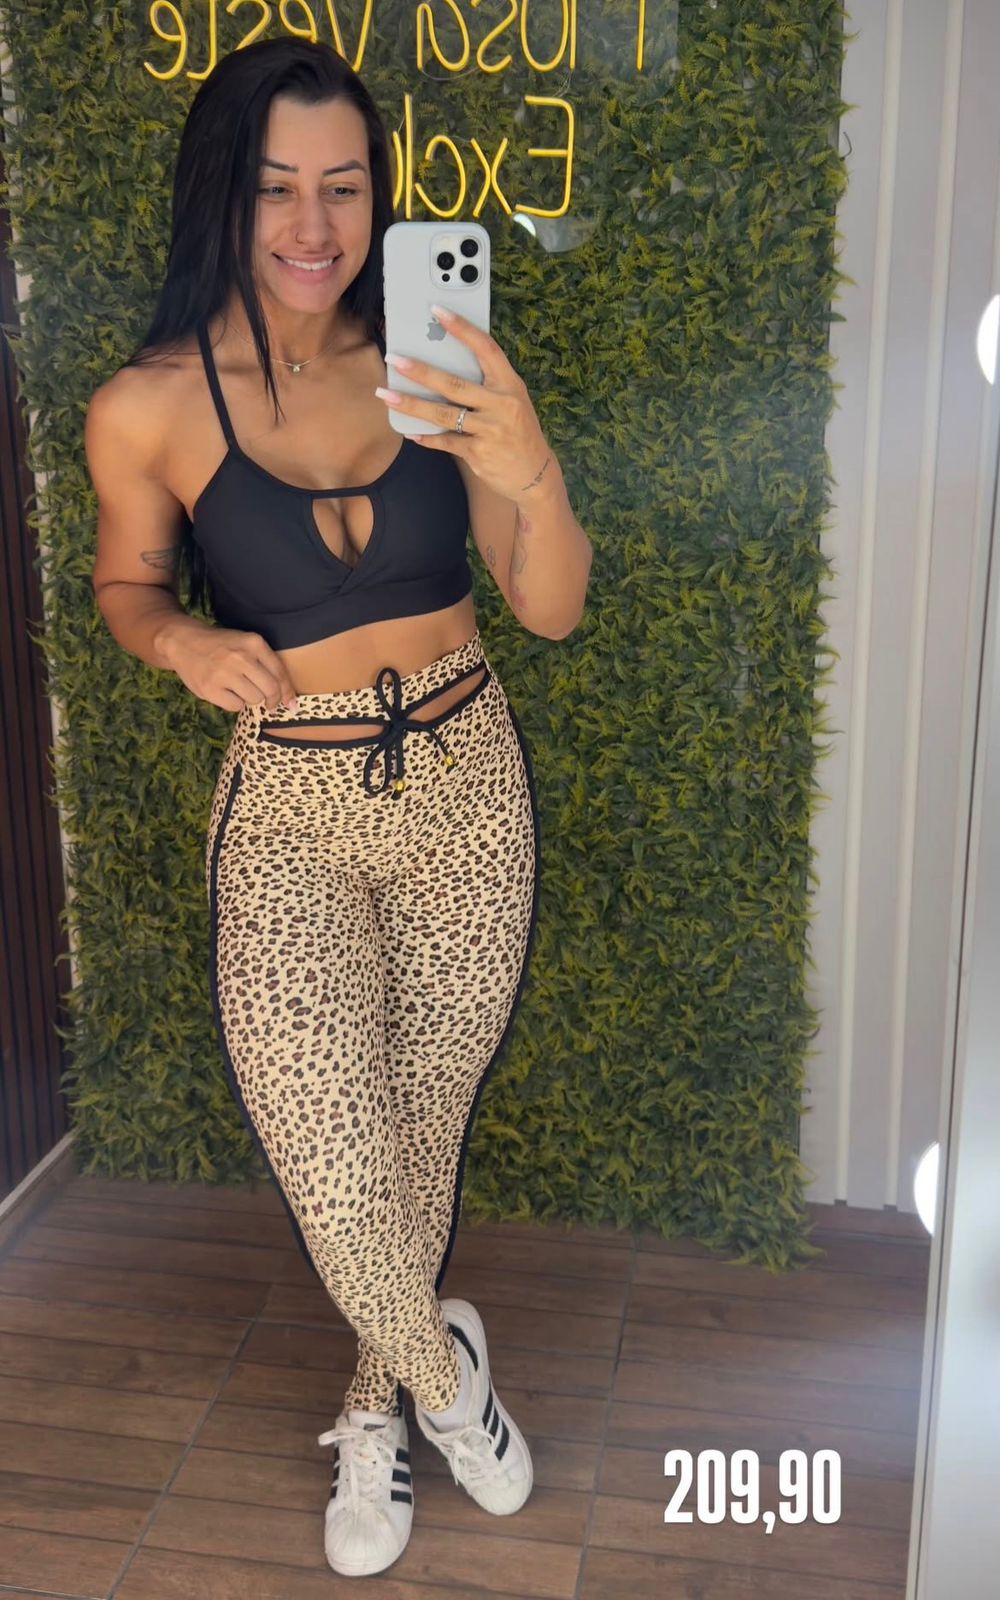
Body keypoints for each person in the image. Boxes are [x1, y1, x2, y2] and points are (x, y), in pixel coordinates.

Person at [85, 35, 591, 1581]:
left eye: (346, 187)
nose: (314, 226)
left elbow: (551, 608)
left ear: (382, 197)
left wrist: (530, 462)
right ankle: (448, 1380)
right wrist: (177, 642)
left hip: (466, 783)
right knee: (334, 1153)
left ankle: (375, 1409)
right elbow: (125, 582)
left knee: (418, 1137)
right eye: (275, 188)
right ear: (222, 194)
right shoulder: (149, 407)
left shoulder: (445, 362)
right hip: (291, 803)